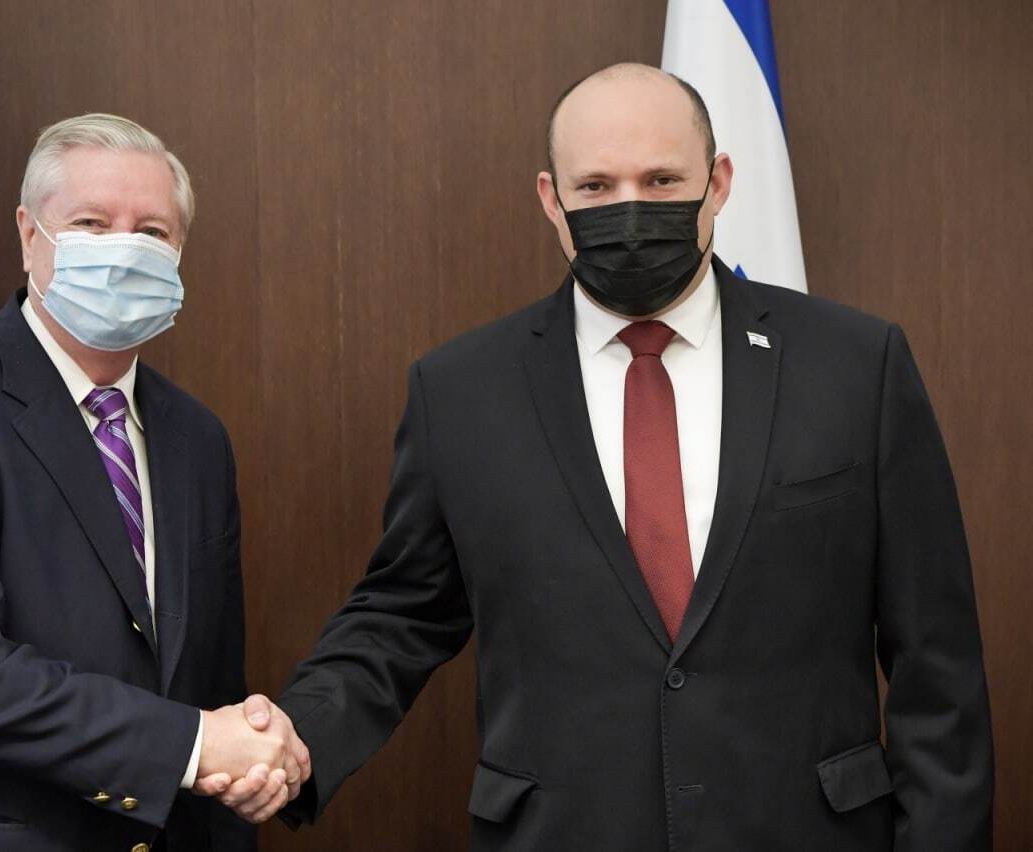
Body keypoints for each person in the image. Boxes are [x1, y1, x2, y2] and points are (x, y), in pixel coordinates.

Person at [216, 64, 994, 849]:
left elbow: (937, 661)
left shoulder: (855, 365)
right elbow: (402, 613)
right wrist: (297, 738)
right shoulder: (461, 390)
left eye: (661, 181)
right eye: (596, 187)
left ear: (718, 183)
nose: (630, 211)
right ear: (552, 200)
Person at [0, 113, 309, 851]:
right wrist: (192, 747)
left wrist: (242, 763)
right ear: (29, 235)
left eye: (152, 232)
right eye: (91, 223)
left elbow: (207, 684)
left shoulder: (197, 438)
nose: (124, 247)